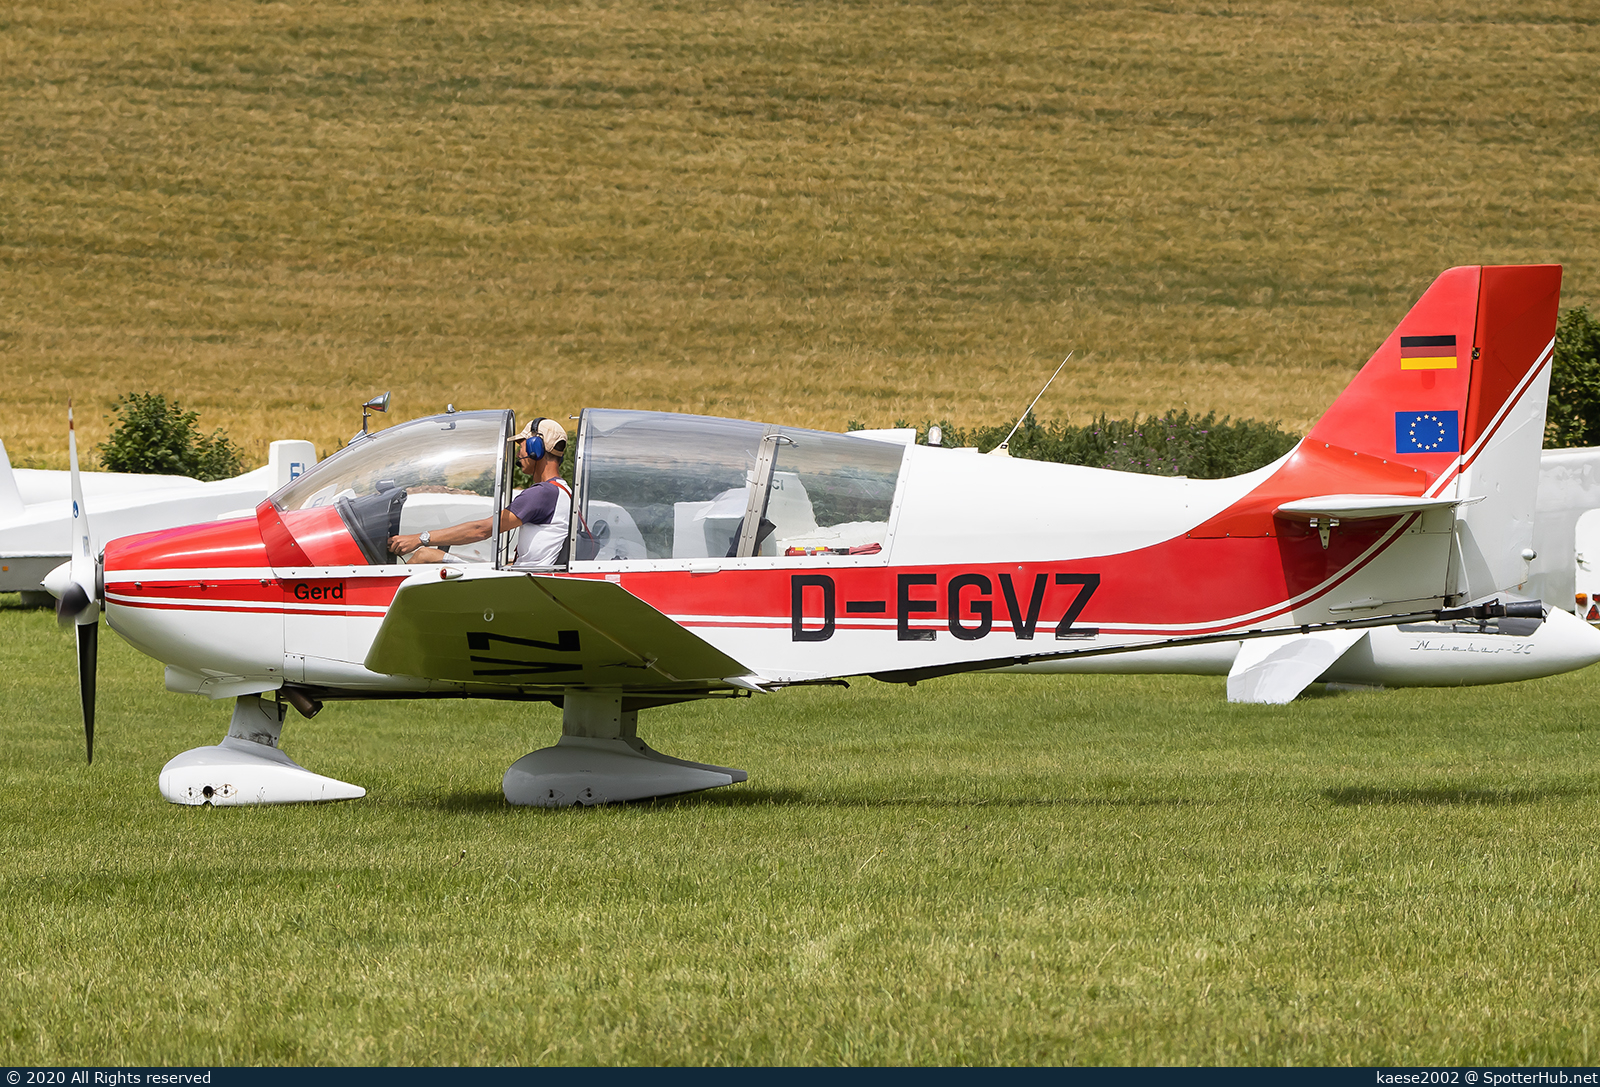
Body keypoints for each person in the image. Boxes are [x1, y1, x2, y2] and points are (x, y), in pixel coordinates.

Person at [387, 417, 572, 567]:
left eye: (521, 445)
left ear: (535, 448)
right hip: (525, 581)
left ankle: (386, 608)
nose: (518, 453)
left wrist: (421, 538)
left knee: (424, 555)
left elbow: (481, 530)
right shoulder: (563, 491)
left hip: (520, 588)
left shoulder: (542, 494)